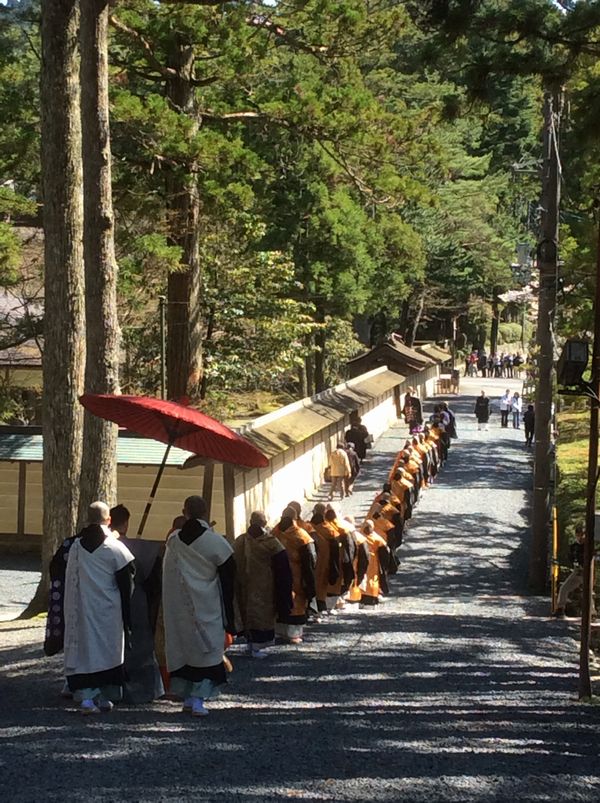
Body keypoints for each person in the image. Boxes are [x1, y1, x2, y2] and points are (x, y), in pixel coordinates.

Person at [162, 495, 235, 717]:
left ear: (184, 512)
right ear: (205, 513)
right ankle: (197, 699)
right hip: (207, 606)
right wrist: (229, 613)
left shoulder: (173, 541)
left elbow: (167, 574)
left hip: (179, 608)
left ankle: (186, 695)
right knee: (206, 652)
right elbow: (229, 577)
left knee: (184, 649)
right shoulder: (215, 542)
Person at [63, 501, 135, 715]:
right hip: (107, 608)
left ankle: (87, 698)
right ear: (109, 519)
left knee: (85, 651)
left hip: (80, 606)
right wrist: (127, 612)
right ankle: (105, 695)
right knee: (107, 650)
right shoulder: (115, 547)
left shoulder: (75, 546)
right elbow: (127, 579)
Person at [114, 504, 165, 703]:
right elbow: (155, 585)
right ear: (126, 523)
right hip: (138, 602)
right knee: (141, 645)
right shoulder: (145, 550)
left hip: (109, 602)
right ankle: (147, 690)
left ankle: (110, 689)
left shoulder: (100, 548)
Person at [233, 511, 293, 658]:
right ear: (263, 523)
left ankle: (250, 643)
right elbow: (283, 567)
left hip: (243, 585)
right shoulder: (271, 542)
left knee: (246, 613)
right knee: (262, 616)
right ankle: (257, 646)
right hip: (264, 586)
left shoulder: (239, 541)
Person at [272, 508, 316, 642]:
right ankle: (293, 634)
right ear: (295, 519)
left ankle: (278, 631)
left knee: (278, 600)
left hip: (276, 575)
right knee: (296, 603)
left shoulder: (273, 534)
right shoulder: (302, 536)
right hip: (296, 576)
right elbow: (311, 559)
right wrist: (310, 582)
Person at [554, 524, 595, 618]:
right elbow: (571, 558)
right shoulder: (574, 546)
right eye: (578, 535)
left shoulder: (589, 546)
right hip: (577, 571)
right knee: (564, 588)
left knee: (588, 592)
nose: (580, 537)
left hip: (587, 571)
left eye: (582, 535)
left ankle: (591, 613)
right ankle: (560, 609)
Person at [359, 520, 391, 606]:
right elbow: (386, 551)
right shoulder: (377, 538)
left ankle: (359, 598)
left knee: (361, 578)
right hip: (372, 562)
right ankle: (372, 598)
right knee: (372, 580)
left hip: (360, 561)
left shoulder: (359, 536)